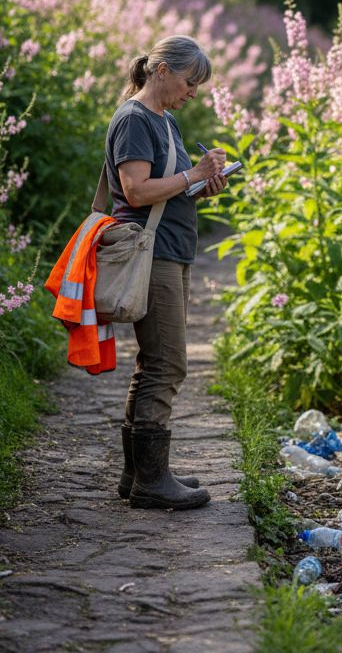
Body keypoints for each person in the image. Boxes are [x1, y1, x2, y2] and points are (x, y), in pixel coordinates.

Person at [106, 35, 227, 510]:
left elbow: (167, 188)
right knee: (167, 362)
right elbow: (135, 191)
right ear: (161, 71)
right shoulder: (135, 119)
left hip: (170, 250)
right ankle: (151, 482)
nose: (193, 91)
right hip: (149, 253)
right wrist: (193, 174)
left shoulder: (166, 120)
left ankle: (138, 472)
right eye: (189, 80)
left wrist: (203, 186)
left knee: (151, 362)